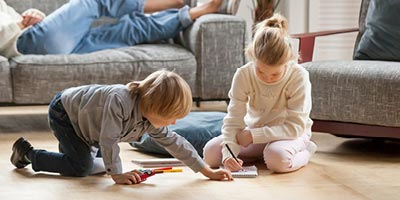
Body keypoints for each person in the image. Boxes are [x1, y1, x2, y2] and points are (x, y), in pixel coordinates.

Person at [10, 69, 233, 184]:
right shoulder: (119, 100)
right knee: (82, 168)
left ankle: (71, 153)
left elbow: (176, 143)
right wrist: (117, 175)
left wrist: (207, 171)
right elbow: (109, 139)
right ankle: (28, 154)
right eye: (170, 117)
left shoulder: (151, 120)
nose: (173, 123)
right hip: (66, 113)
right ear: (155, 107)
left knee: (94, 166)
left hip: (89, 125)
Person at [203, 14, 317, 173]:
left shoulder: (299, 76)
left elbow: (295, 127)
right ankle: (261, 154)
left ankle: (305, 152)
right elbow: (234, 120)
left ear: (288, 60)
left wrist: (253, 135)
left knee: (277, 159)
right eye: (261, 71)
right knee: (210, 154)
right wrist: (229, 154)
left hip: (290, 135)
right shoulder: (243, 74)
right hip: (255, 132)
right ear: (252, 57)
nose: (267, 78)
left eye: (275, 74)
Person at [0, 0, 241, 58]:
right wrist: (20, 25)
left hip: (38, 39)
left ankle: (194, 11)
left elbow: (13, 20)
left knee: (130, 30)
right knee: (95, 1)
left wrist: (33, 16)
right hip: (28, 43)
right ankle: (176, 0)